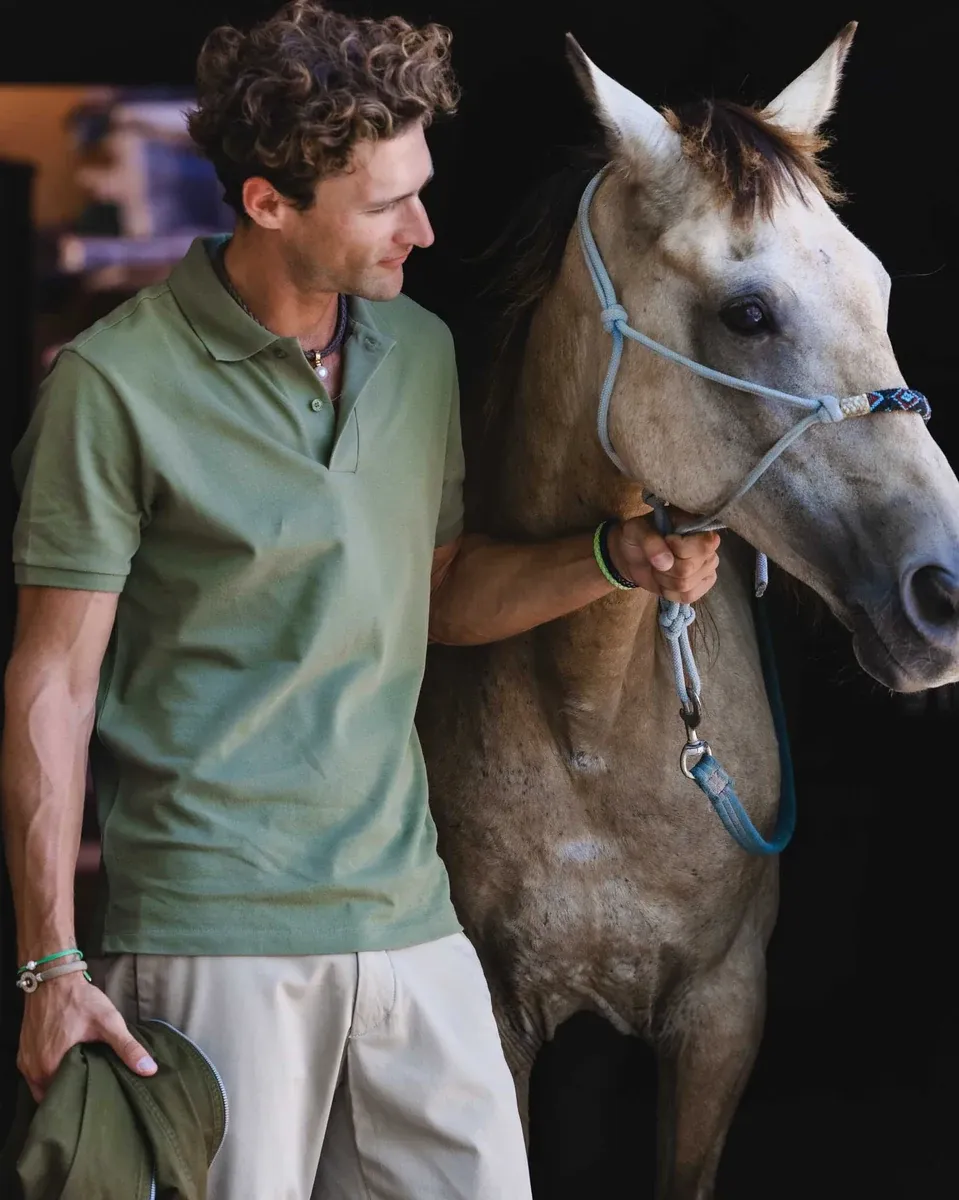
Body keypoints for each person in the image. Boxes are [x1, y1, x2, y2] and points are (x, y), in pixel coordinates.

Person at [1, 3, 721, 1197]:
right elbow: (52, 679)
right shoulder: (110, 387)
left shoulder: (420, 353)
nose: (425, 227)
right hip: (207, 934)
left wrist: (610, 558)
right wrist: (48, 967)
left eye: (419, 185)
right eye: (385, 203)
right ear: (268, 206)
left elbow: (433, 590)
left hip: (407, 914)